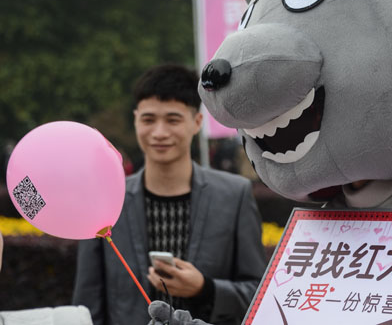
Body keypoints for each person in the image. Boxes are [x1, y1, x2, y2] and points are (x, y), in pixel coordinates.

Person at [72, 64, 267, 325]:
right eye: (148, 119)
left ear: (197, 122)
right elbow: (86, 306)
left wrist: (205, 289)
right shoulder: (105, 200)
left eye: (173, 120)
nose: (159, 133)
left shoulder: (234, 195)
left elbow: (259, 293)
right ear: (135, 119)